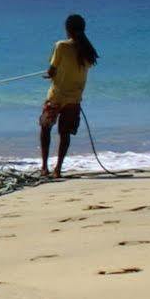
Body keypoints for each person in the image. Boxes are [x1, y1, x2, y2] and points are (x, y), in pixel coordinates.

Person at [40, 13, 99, 178]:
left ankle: (44, 168)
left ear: (68, 29)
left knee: (45, 128)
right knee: (64, 133)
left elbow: (51, 71)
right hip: (74, 99)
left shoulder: (61, 46)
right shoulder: (88, 50)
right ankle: (58, 169)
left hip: (56, 97)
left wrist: (50, 74)